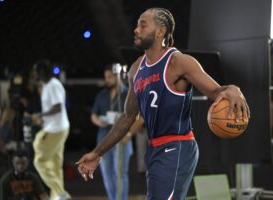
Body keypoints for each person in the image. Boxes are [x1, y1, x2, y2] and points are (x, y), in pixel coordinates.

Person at [76, 7, 250, 200]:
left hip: (177, 146)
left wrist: (232, 88)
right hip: (154, 149)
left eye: (143, 25)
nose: (136, 30)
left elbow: (216, 91)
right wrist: (98, 153)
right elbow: (127, 117)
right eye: (137, 25)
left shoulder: (179, 62)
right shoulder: (136, 69)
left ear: (160, 31)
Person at [91, 64, 133, 200]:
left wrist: (129, 133)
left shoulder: (127, 93)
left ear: (118, 76)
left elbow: (137, 117)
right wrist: (98, 121)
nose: (107, 80)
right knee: (107, 174)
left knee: (120, 174)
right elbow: (93, 115)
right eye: (106, 77)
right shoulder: (102, 94)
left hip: (121, 139)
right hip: (104, 139)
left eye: (110, 77)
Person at [31, 59, 71, 200]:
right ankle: (57, 197)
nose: (34, 75)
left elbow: (58, 107)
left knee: (39, 161)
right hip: (55, 127)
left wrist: (41, 115)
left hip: (56, 130)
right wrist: (42, 120)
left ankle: (60, 192)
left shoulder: (54, 85)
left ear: (42, 72)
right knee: (55, 166)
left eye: (36, 72)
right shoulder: (47, 85)